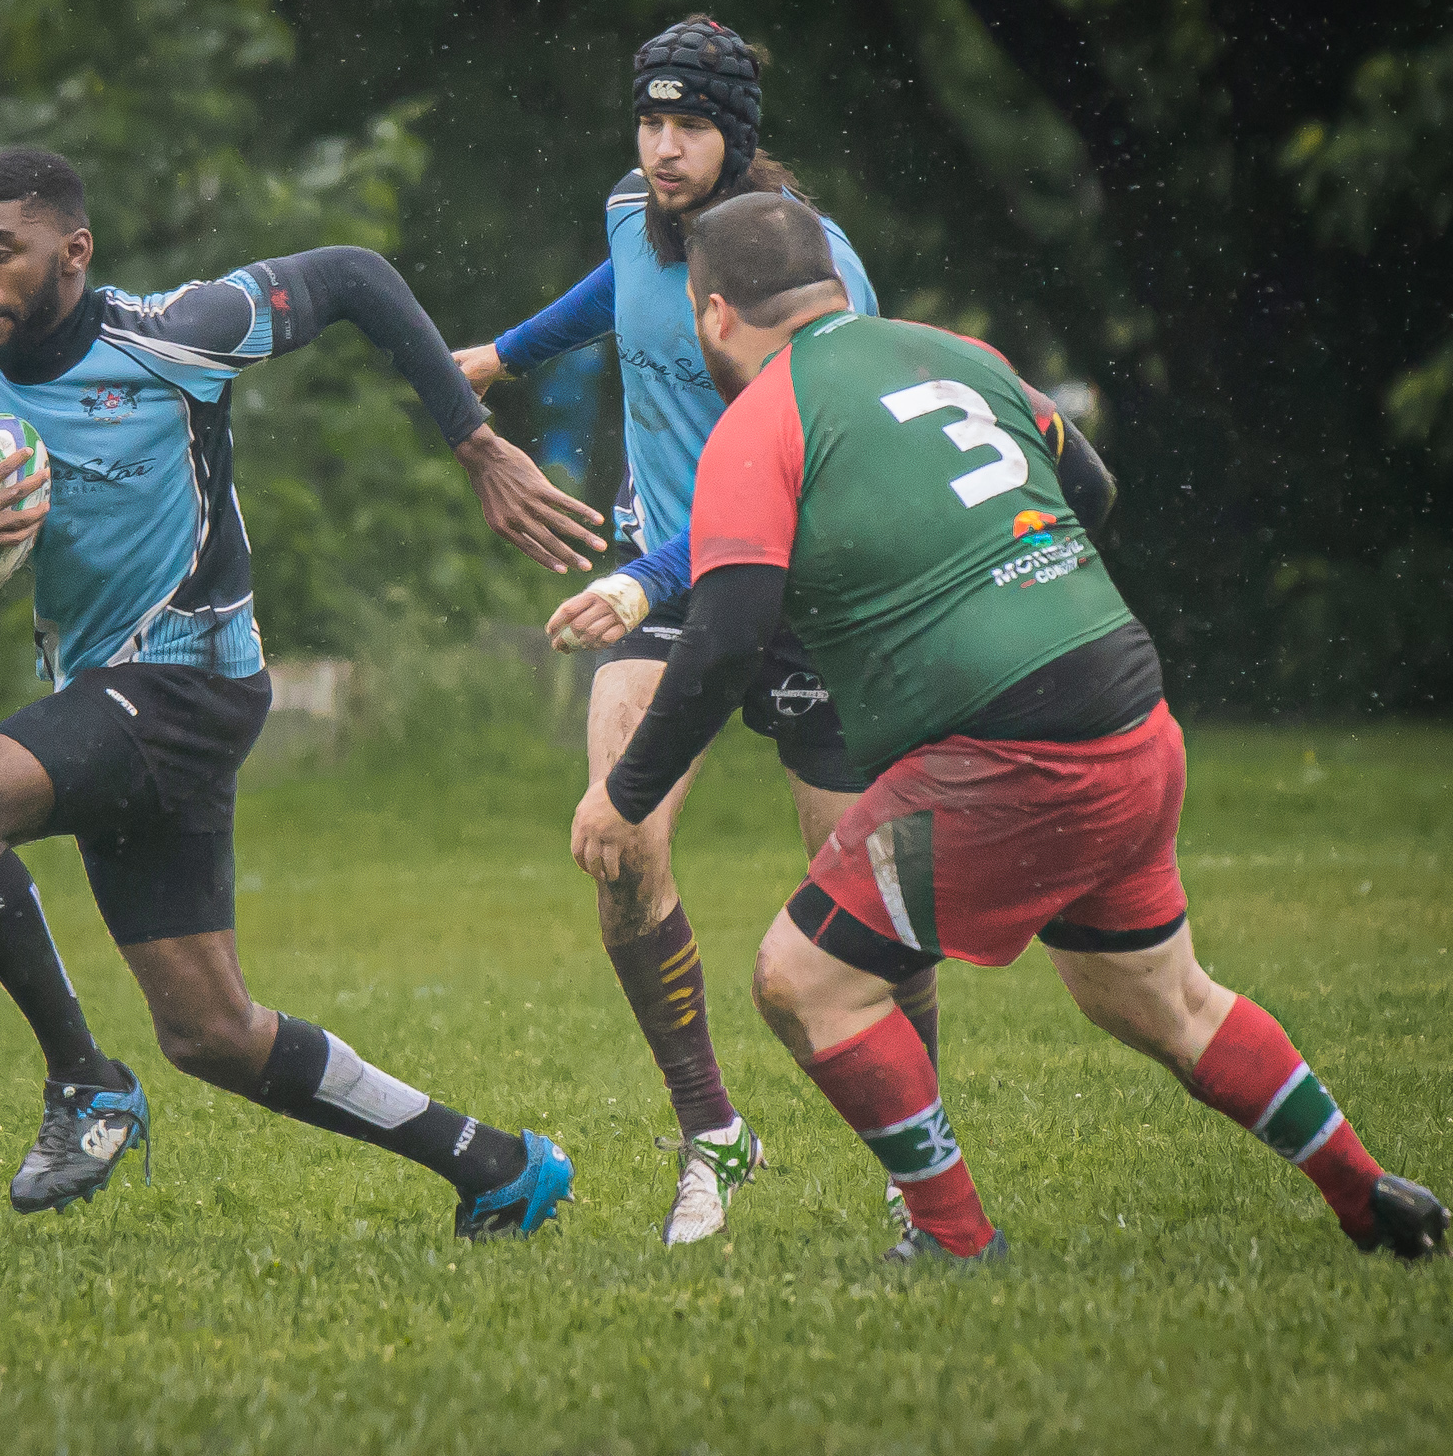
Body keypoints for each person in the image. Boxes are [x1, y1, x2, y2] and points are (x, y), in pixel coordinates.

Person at [570, 190, 1449, 1263]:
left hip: (1009, 755)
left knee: (801, 980)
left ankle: (949, 1235)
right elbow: (1088, 481)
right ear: (831, 283)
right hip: (1125, 708)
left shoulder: (760, 418)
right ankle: (1366, 1194)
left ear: (713, 315)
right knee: (1155, 996)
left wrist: (623, 797)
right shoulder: (954, 352)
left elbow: (723, 638)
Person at [0, 148, 599, 1237]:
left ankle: (84, 1086)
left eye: (1, 250)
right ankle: (495, 1166)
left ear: (72, 250)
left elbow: (350, 276)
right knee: (211, 1034)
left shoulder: (174, 335)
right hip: (106, 699)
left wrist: (472, 442)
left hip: (189, 681)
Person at [454, 14, 921, 1247]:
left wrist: (645, 580)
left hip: (804, 596)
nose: (662, 149)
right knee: (617, 844)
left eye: (688, 126)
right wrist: (502, 355)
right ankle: (711, 1133)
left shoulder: (806, 271)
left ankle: (916, 1162)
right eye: (648, 122)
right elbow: (624, 288)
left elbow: (808, 470)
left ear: (736, 135)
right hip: (672, 595)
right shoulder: (629, 210)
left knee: (868, 899)